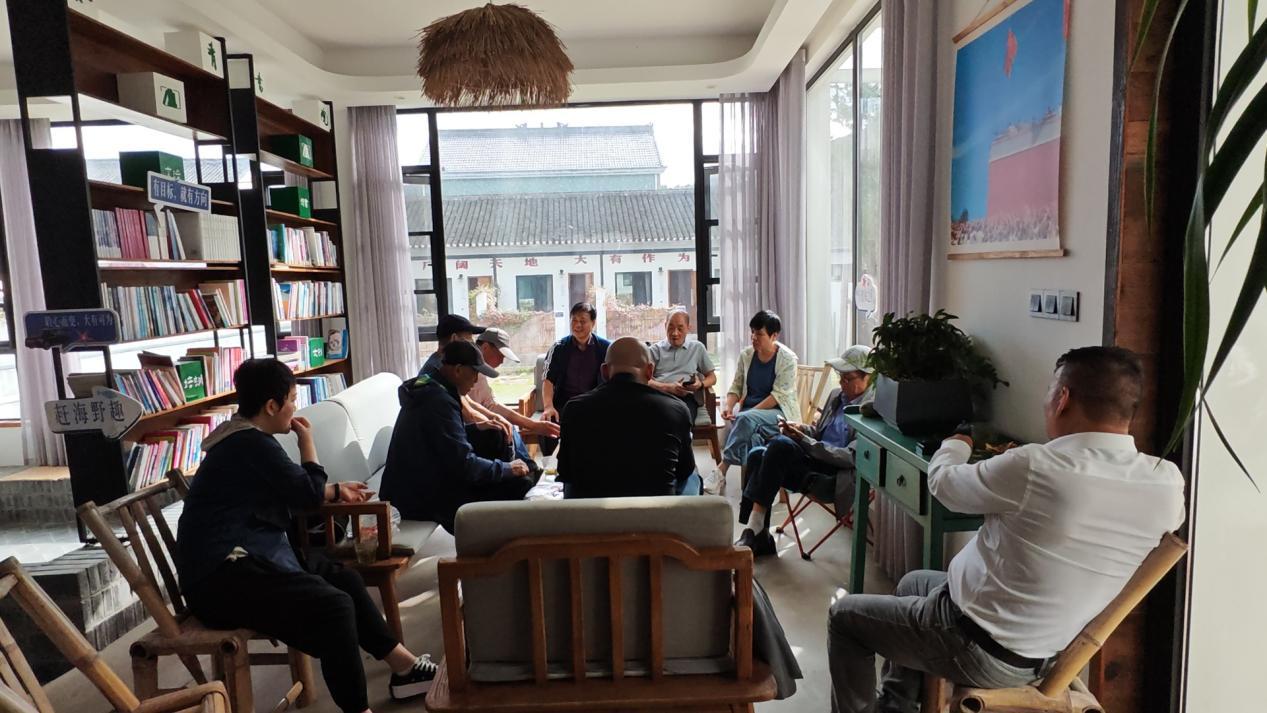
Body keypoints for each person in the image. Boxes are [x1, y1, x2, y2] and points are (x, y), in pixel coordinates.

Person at [826, 347, 1186, 713]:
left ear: (1063, 398)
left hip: (977, 643)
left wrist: (955, 444)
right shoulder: (1167, 483)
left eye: (1050, 389)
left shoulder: (1037, 466)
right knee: (912, 583)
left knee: (844, 618)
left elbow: (944, 485)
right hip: (1046, 645)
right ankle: (896, 705)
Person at [175, 359, 437, 713]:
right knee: (334, 607)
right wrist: (307, 443)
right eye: (292, 400)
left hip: (244, 559)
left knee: (344, 579)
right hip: (220, 581)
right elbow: (306, 494)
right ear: (272, 406)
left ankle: (404, 667)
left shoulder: (242, 440)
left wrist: (333, 490)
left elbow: (293, 488)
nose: (295, 409)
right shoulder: (250, 445)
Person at [380, 340, 536, 533]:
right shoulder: (438, 401)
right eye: (474, 372)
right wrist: (507, 469)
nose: (476, 380)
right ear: (458, 370)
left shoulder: (431, 385)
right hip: (418, 496)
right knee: (519, 485)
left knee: (494, 434)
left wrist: (475, 428)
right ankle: (489, 545)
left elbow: (440, 437)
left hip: (422, 477)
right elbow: (464, 465)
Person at [736, 345, 874, 557]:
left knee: (780, 446)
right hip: (813, 458)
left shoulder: (871, 411)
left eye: (848, 378)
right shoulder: (836, 396)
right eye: (840, 376)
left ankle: (754, 532)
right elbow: (818, 433)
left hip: (833, 474)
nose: (841, 382)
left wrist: (804, 440)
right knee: (757, 454)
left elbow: (849, 457)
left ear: (868, 378)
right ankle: (758, 534)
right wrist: (800, 429)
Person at [557, 337, 700, 498]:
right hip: (658, 510)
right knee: (693, 476)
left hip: (591, 511)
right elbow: (684, 470)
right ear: (650, 371)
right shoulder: (676, 409)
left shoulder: (574, 408)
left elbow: (565, 471)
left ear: (604, 371)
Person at [717, 310, 800, 492]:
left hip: (778, 415)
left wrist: (749, 414)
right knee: (752, 436)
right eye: (752, 332)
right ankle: (753, 495)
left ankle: (722, 469)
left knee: (746, 420)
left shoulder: (787, 359)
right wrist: (729, 406)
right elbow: (736, 386)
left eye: (759, 334)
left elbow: (777, 396)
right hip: (749, 416)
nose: (753, 337)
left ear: (774, 335)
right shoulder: (746, 355)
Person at [422, 314, 519, 464]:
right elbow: (467, 414)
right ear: (455, 339)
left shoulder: (444, 368)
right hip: (436, 455)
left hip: (447, 440)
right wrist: (505, 470)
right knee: (497, 435)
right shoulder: (440, 376)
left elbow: (468, 404)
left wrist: (494, 419)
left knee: (500, 429)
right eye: (469, 339)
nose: (474, 344)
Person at [541, 302, 611, 424]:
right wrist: (548, 407)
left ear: (593, 323)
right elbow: (548, 380)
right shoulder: (558, 348)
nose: (578, 325)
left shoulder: (605, 348)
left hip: (595, 405)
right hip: (565, 405)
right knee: (551, 419)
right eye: (574, 320)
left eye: (583, 321)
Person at [648, 308, 717, 417]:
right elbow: (645, 381)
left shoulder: (697, 348)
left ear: (688, 328)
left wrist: (700, 384)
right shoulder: (654, 350)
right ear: (665, 326)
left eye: (680, 328)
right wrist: (668, 387)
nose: (675, 333)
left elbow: (712, 377)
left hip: (686, 398)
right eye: (671, 328)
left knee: (680, 416)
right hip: (660, 395)